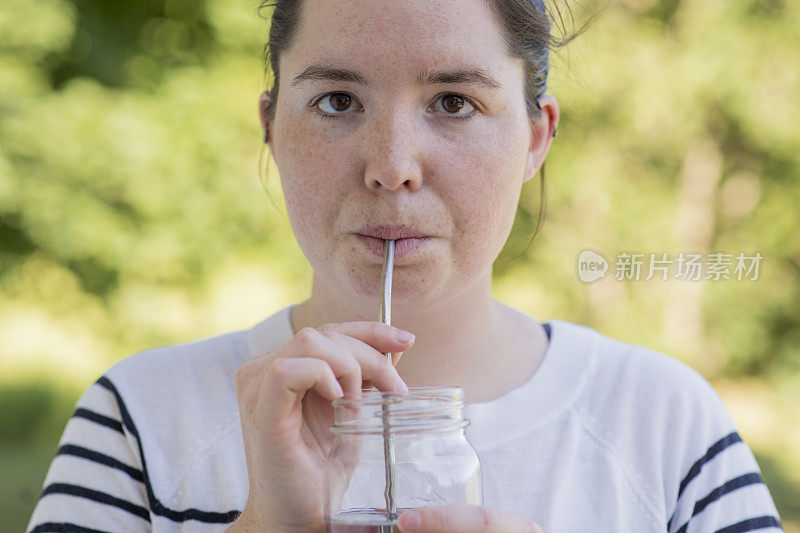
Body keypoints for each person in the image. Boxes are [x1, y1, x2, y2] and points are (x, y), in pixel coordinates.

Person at [28, 0, 783, 532]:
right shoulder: (140, 421)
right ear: (270, 126)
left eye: (454, 102)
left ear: (534, 136)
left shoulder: (665, 427)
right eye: (335, 101)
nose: (392, 167)